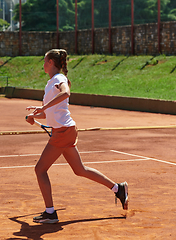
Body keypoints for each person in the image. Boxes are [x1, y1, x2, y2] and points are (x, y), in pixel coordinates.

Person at [26, 49, 128, 224]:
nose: (43, 64)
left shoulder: (59, 79)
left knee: (40, 170)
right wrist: (36, 115)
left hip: (63, 132)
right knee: (80, 170)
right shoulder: (51, 82)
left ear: (51, 62)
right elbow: (50, 113)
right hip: (65, 130)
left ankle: (50, 213)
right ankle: (118, 188)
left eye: (44, 61)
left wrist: (42, 108)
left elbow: (65, 93)